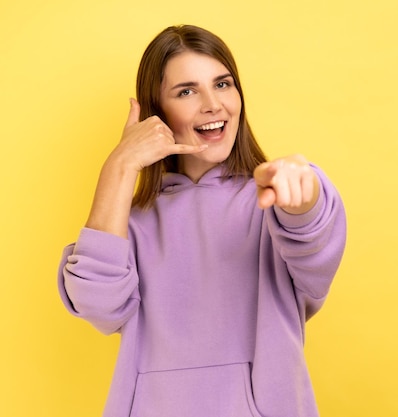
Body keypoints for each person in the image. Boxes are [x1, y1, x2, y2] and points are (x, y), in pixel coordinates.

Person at [58, 24, 347, 417]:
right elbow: (97, 304)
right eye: (187, 91)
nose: (213, 104)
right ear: (157, 112)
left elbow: (315, 243)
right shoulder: (131, 223)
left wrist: (305, 192)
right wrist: (120, 165)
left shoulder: (269, 201)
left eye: (223, 84)